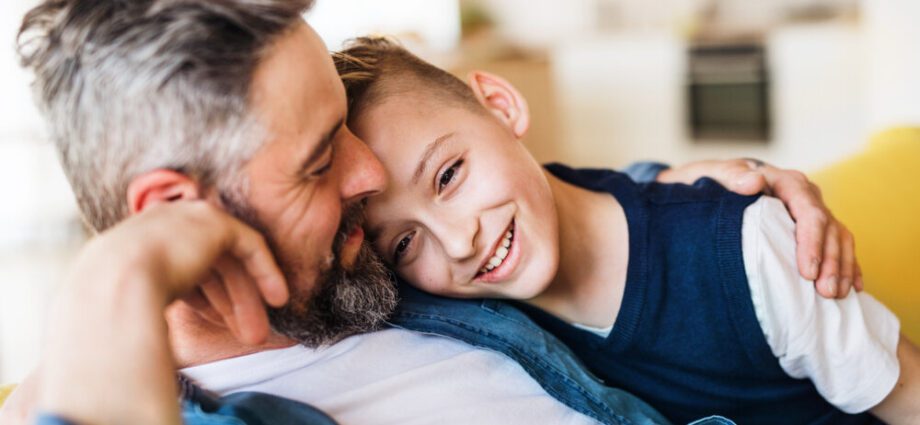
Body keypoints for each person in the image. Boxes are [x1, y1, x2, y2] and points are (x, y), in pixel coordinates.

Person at [0, 1, 865, 424]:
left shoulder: (365, 271)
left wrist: (694, 194)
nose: (367, 172)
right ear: (169, 211)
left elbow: (524, 204)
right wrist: (107, 280)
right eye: (317, 160)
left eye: (346, 127)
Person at [333, 37, 920, 425]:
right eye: (405, 243)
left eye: (449, 175)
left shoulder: (747, 247)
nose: (459, 242)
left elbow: (906, 395)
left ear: (501, 105)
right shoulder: (468, 325)